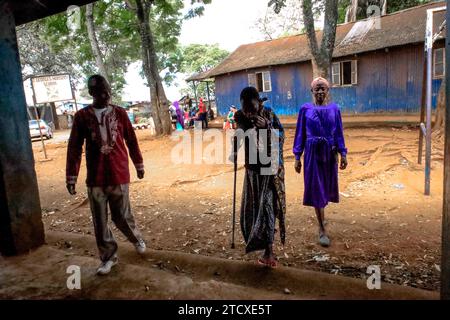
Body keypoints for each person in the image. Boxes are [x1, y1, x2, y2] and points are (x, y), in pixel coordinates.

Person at [66, 74, 146, 275]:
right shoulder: (82, 117)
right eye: (101, 92)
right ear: (92, 93)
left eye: (108, 90)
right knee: (100, 220)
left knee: (122, 215)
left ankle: (137, 239)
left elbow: (132, 140)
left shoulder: (119, 113)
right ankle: (108, 257)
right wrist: (71, 177)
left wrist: (139, 164)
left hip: (119, 173)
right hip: (96, 177)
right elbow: (74, 148)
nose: (106, 95)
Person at [232, 86, 286, 268]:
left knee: (267, 207)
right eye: (245, 109)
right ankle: (258, 241)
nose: (248, 113)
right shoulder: (239, 116)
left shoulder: (268, 114)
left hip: (268, 170)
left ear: (258, 103)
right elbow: (240, 133)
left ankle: (269, 251)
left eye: (252, 108)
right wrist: (235, 146)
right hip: (252, 171)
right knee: (253, 209)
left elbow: (281, 136)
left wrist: (268, 128)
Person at [293, 77, 348, 248]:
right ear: (312, 91)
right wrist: (297, 156)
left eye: (323, 88)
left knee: (325, 188)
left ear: (328, 90)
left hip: (329, 153)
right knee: (316, 189)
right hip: (311, 153)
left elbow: (338, 132)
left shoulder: (334, 109)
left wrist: (343, 153)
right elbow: (300, 133)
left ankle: (322, 219)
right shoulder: (305, 109)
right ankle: (322, 228)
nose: (320, 91)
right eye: (317, 89)